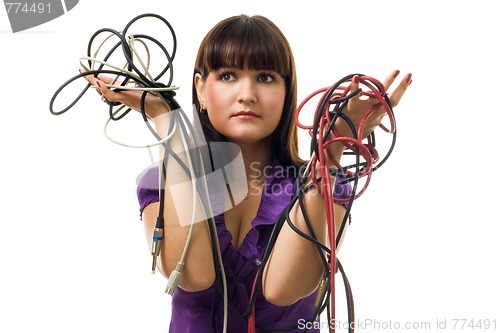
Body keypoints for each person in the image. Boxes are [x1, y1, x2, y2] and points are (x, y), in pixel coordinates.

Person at [82, 14, 411, 333]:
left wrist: (331, 148)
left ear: (287, 93)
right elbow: (192, 274)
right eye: (227, 75)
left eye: (266, 77)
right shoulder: (161, 182)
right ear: (200, 89)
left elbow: (283, 289)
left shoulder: (327, 183)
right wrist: (169, 121)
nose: (247, 94)